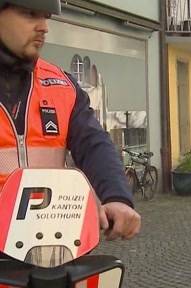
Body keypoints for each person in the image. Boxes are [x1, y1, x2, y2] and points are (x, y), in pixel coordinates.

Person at [0, 0, 140, 240]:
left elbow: (94, 144)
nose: (44, 26)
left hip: (52, 245)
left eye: (46, 16)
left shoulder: (61, 86)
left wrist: (116, 196)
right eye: (30, 14)